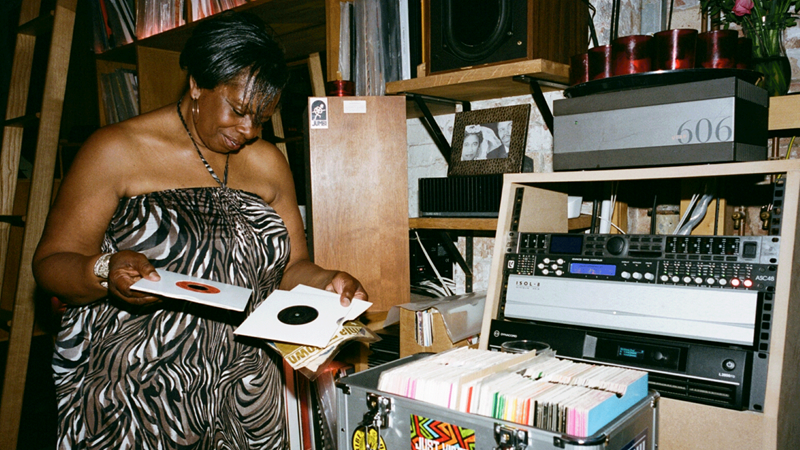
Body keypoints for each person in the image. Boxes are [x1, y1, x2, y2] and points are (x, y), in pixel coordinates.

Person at [32, 11, 367, 449]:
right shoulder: (115, 150)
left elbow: (291, 267)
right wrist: (103, 271)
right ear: (196, 85)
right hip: (139, 394)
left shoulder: (268, 163)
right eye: (240, 111)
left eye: (261, 118)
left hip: (245, 391)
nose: (248, 131)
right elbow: (51, 264)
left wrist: (328, 283)